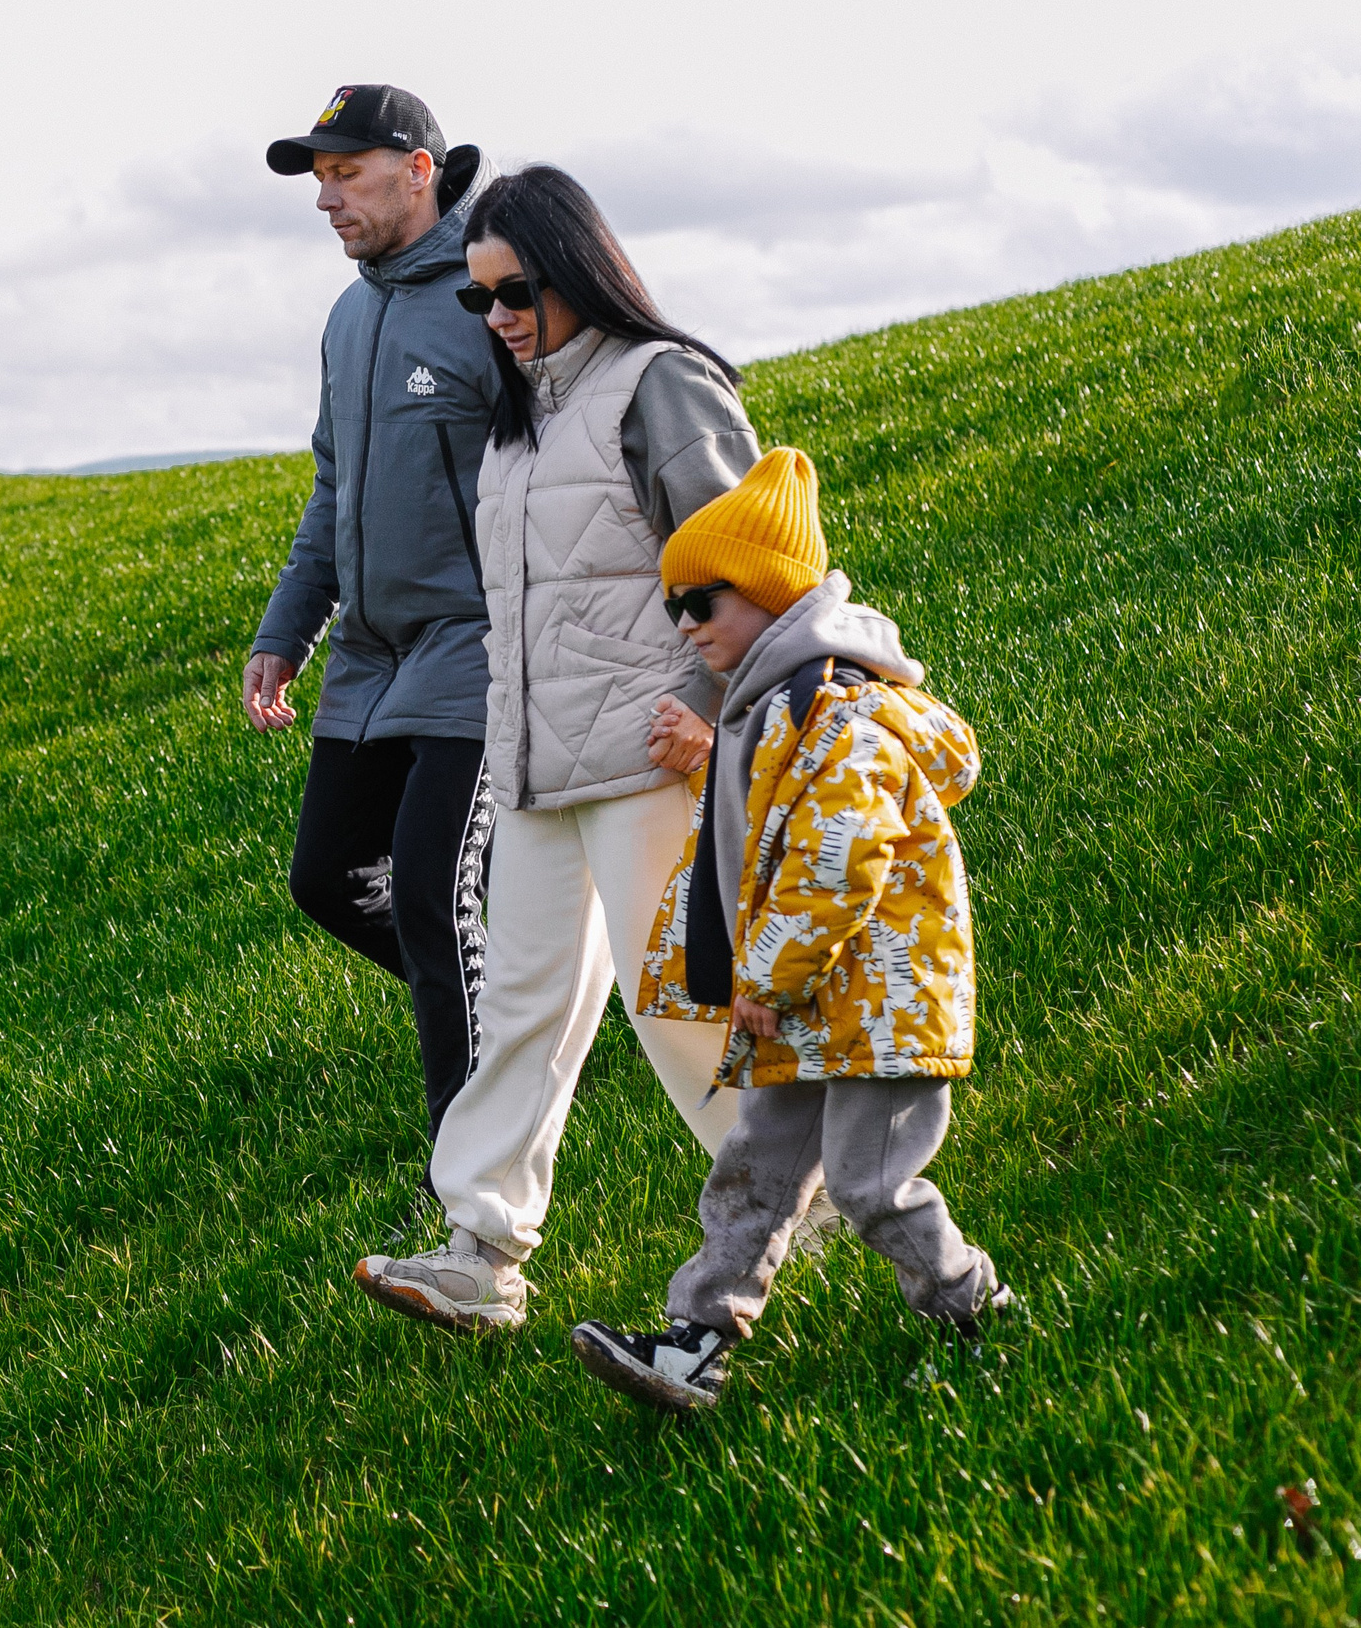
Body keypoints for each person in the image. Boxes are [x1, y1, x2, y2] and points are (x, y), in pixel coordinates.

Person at [352, 165, 775, 1335]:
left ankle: (825, 1203)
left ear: (579, 266)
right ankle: (480, 1251)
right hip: (535, 768)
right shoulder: (519, 420)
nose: (496, 316)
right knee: (522, 1009)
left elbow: (752, 558)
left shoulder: (660, 384)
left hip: (648, 757)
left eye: (517, 290)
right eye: (479, 299)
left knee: (681, 1008)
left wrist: (704, 697)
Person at [571, 447, 1011, 1412]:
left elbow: (835, 865)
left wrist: (764, 976)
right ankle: (694, 1344)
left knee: (872, 1185)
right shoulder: (774, 712)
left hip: (881, 1005)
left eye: (704, 602)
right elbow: (755, 845)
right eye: (673, 606)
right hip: (814, 1002)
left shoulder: (840, 718)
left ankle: (974, 1311)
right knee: (753, 1171)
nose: (687, 627)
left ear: (771, 595)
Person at [244, 85, 500, 1154]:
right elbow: (332, 487)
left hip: (477, 654)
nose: (327, 199)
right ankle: (512, 1017)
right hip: (368, 661)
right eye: (319, 179)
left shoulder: (495, 296)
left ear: (418, 168)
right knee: (325, 876)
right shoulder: (349, 317)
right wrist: (284, 630)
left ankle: (470, 1171)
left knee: (437, 905)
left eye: (345, 173)